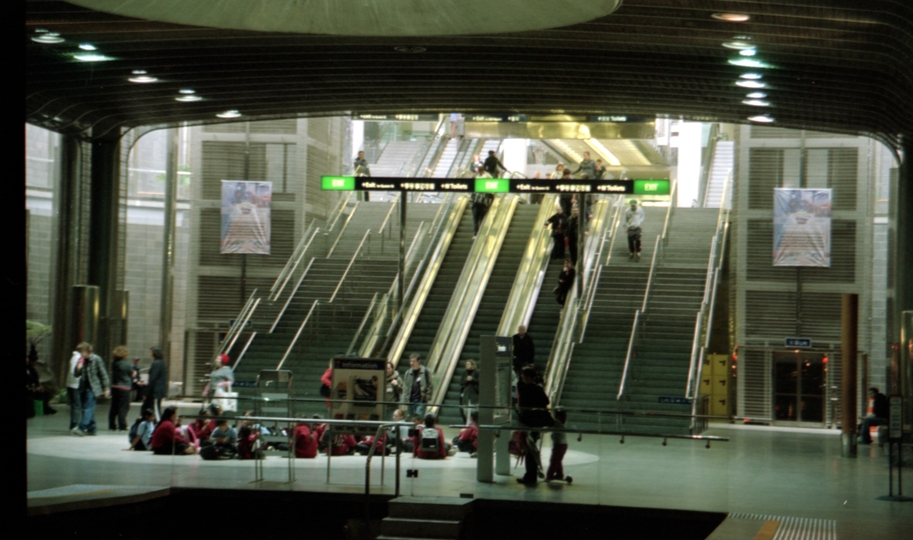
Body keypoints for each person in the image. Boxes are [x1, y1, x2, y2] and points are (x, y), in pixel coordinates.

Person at [516, 366, 553, 485]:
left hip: (528, 421)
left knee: (529, 450)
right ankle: (532, 474)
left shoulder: (523, 389)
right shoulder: (538, 388)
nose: (521, 377)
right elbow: (546, 402)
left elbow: (522, 406)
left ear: (527, 376)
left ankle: (530, 476)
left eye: (522, 375)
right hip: (538, 422)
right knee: (532, 448)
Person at [71, 342, 110, 436]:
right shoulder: (81, 360)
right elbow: (76, 375)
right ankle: (92, 428)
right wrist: (78, 368)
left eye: (81, 351)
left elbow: (103, 374)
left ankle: (82, 428)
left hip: (93, 388)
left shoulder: (96, 359)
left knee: (87, 409)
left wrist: (106, 388)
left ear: (86, 351)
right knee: (87, 408)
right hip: (83, 387)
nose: (80, 353)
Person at [108, 345, 135, 431]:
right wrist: (134, 373)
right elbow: (132, 374)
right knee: (124, 407)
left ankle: (112, 424)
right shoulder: (126, 364)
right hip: (125, 387)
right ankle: (122, 425)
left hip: (115, 387)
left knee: (114, 406)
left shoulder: (114, 363)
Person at [401, 354, 433, 420]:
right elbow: (406, 387)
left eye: (413, 361)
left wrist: (427, 397)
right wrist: (405, 401)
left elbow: (430, 385)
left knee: (418, 419)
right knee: (410, 420)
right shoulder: (408, 373)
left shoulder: (425, 371)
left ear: (418, 361)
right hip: (410, 400)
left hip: (421, 400)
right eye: (410, 361)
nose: (411, 363)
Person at [546, 408, 572, 483]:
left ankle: (549, 475)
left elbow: (548, 427)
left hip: (559, 445)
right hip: (562, 445)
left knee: (554, 460)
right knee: (558, 460)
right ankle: (559, 474)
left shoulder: (556, 422)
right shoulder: (562, 423)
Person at [143, 346, 167, 421]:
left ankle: (159, 425)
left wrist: (147, 391)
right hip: (159, 389)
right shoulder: (161, 363)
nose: (150, 354)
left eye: (151, 352)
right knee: (156, 407)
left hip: (156, 390)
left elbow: (152, 378)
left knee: (156, 409)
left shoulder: (156, 363)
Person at [66, 349, 83, 429]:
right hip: (76, 384)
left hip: (70, 383)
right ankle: (74, 424)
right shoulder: (80, 358)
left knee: (74, 405)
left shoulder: (74, 357)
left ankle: (73, 424)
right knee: (76, 405)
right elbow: (77, 370)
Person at [460, 359, 480, 424]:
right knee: (465, 409)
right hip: (466, 394)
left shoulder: (476, 372)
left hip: (474, 393)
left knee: (474, 408)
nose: (467, 365)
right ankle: (467, 423)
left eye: (468, 364)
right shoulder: (464, 372)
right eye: (466, 364)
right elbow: (461, 382)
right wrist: (466, 380)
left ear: (472, 365)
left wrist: (472, 379)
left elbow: (479, 381)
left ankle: (474, 423)